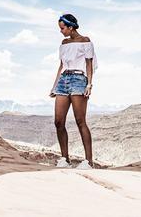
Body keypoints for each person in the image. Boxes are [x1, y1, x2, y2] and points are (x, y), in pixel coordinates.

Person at [49, 13, 98, 169]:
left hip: (78, 80)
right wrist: (54, 85)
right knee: (58, 121)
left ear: (71, 27)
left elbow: (89, 64)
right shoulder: (63, 43)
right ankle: (65, 159)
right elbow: (61, 66)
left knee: (80, 121)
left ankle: (88, 162)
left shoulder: (85, 41)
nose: (61, 31)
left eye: (62, 28)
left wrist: (89, 84)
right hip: (64, 80)